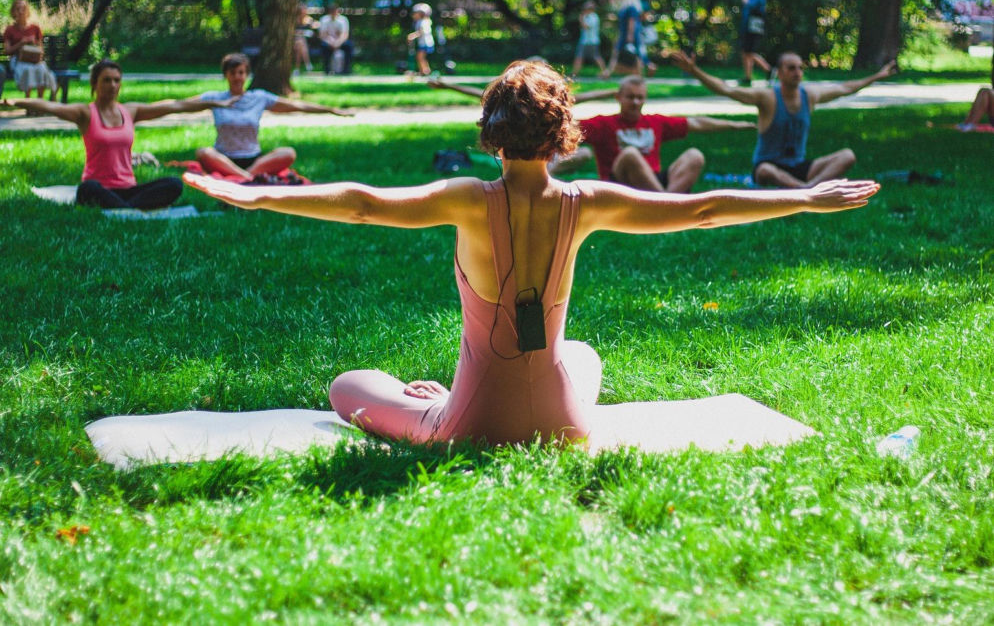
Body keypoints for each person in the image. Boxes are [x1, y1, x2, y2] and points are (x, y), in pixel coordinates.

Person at [184, 59, 879, 447]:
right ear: (563, 134)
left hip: (470, 424)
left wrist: (261, 197)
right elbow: (700, 210)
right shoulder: (587, 201)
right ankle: (469, 395)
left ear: (492, 134)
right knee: (581, 354)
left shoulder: (464, 197)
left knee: (348, 386)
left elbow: (362, 202)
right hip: (563, 424)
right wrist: (807, 198)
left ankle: (437, 400)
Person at [2, 59, 232, 209]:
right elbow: (49, 106)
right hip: (99, 188)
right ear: (95, 84)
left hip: (129, 190)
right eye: (106, 80)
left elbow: (175, 105)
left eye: (116, 80)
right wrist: (14, 100)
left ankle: (125, 210)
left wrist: (212, 103)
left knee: (174, 184)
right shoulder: (85, 113)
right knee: (87, 189)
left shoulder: (130, 111)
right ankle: (130, 210)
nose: (112, 85)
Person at [671, 50, 897, 188]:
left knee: (847, 155)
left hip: (799, 167)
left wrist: (878, 76)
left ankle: (806, 188)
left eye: (800, 68)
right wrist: (695, 71)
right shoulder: (767, 98)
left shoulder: (810, 96)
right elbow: (726, 90)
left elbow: (845, 88)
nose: (797, 72)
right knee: (765, 172)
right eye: (791, 68)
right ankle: (808, 191)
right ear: (779, 72)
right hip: (769, 167)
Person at [552, 76, 755, 193]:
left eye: (640, 98)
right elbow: (566, 126)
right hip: (619, 186)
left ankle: (666, 205)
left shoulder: (655, 122)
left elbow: (697, 123)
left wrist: (735, 125)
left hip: (653, 180)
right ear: (618, 98)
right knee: (631, 154)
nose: (635, 102)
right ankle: (668, 207)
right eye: (630, 97)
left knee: (695, 156)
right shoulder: (603, 124)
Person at [195, 52, 355, 181]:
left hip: (254, 159)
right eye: (232, 73)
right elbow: (181, 105)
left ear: (247, 74)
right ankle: (247, 178)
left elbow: (296, 105)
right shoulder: (214, 97)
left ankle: (244, 175)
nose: (237, 77)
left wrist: (331, 110)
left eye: (241, 72)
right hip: (224, 158)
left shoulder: (259, 97)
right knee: (203, 152)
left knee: (288, 153)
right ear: (226, 75)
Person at [3, 0, 57, 99]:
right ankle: (29, 103)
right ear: (13, 12)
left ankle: (39, 101)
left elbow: (41, 49)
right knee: (28, 70)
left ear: (27, 11)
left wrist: (34, 43)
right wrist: (20, 43)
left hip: (34, 59)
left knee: (41, 69)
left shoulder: (35, 28)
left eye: (23, 8)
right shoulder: (9, 29)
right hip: (18, 60)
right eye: (17, 9)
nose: (21, 11)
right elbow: (7, 51)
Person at [602, 0, 642, 78]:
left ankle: (608, 72)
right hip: (624, 33)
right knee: (618, 52)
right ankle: (608, 72)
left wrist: (630, 35)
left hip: (629, 34)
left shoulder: (631, 8)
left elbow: (631, 22)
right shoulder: (625, 7)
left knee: (633, 54)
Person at [739, 0, 771, 86]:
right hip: (747, 27)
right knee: (745, 52)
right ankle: (748, 77)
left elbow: (750, 5)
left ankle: (767, 69)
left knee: (749, 52)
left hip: (754, 28)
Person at [571, 1, 605, 77]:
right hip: (584, 40)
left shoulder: (594, 17)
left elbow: (586, 27)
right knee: (579, 56)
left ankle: (604, 72)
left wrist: (581, 19)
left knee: (596, 57)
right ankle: (575, 73)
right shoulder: (587, 16)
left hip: (592, 41)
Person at [318, 4, 352, 75]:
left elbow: (344, 34)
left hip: (340, 41)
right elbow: (322, 35)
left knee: (349, 46)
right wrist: (331, 42)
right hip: (328, 41)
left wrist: (338, 43)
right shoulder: (324, 20)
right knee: (324, 47)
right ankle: (327, 69)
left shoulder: (343, 20)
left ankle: (346, 70)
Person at [407, 4, 435, 77]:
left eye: (415, 13)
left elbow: (421, 32)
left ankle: (425, 71)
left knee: (420, 56)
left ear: (421, 14)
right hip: (424, 43)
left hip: (426, 43)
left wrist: (412, 36)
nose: (413, 15)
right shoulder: (421, 22)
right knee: (421, 57)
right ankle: (424, 70)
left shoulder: (424, 22)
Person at [293, 4, 315, 75]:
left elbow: (313, 32)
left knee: (300, 43)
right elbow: (291, 32)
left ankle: (297, 69)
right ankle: (308, 64)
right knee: (300, 42)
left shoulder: (309, 20)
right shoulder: (294, 20)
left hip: (307, 42)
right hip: (294, 42)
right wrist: (302, 32)